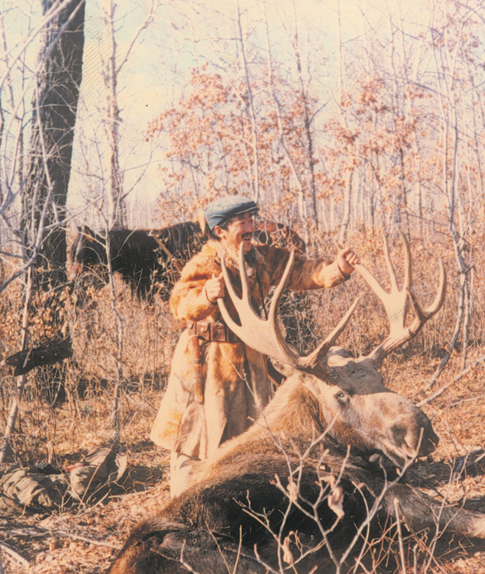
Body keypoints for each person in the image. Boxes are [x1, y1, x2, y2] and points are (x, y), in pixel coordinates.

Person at [150, 196, 360, 496]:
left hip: (250, 358)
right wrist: (206, 296)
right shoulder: (204, 264)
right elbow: (179, 304)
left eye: (251, 221)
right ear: (220, 231)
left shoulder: (262, 258)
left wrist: (337, 268)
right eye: (242, 223)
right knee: (199, 434)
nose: (250, 228)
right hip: (209, 363)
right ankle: (185, 499)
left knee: (249, 432)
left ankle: (237, 498)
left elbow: (301, 271)